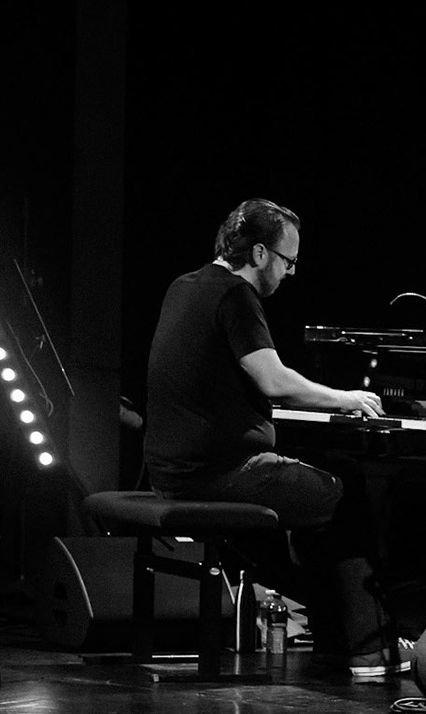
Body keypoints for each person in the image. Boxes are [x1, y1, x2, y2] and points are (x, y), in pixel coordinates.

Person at [142, 198, 409, 678]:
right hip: (218, 476)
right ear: (261, 254)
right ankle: (370, 649)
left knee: (324, 481)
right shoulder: (236, 296)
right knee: (344, 491)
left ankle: (333, 638)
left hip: (173, 472)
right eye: (289, 261)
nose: (290, 273)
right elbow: (275, 382)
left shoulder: (184, 286)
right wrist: (345, 397)